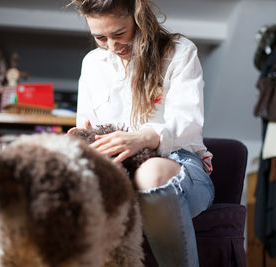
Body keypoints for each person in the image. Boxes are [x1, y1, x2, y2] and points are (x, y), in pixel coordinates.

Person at [67, 0, 214, 266]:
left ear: (138, 17)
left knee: (150, 173)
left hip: (178, 163)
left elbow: (187, 124)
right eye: (100, 37)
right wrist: (80, 140)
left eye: (119, 33)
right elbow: (87, 125)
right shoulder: (91, 64)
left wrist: (143, 138)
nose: (112, 46)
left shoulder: (180, 52)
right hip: (116, 168)